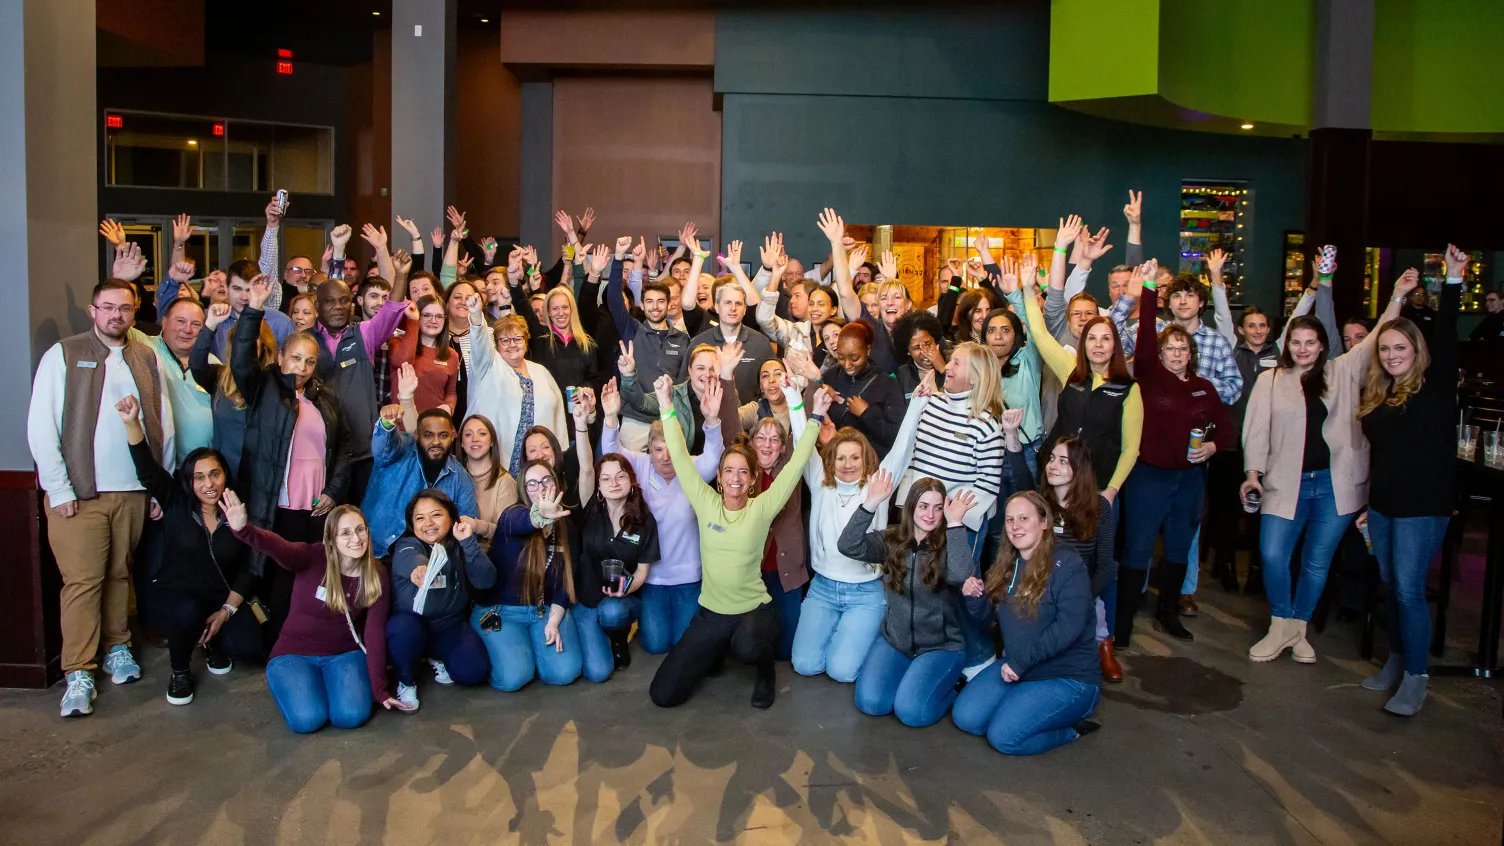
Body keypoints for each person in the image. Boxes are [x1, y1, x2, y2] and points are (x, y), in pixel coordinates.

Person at [1242, 267, 1408, 664]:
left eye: (1310, 342)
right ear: (1289, 346)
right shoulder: (1271, 379)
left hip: (1334, 486)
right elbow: (1255, 431)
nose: (1302, 349)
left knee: (1318, 562)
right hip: (1285, 484)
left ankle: (1295, 629)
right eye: (1296, 342)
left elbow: (1373, 343)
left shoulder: (1342, 371)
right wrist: (1252, 473)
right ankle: (1282, 624)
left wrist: (1398, 296)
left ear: (1321, 346)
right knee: (1272, 555)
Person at [28, 278, 176, 717]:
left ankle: (118, 649)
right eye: (108, 307)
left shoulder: (145, 356)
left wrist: (158, 486)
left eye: (125, 308)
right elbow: (42, 427)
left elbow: (162, 424)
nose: (117, 315)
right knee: (82, 582)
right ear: (93, 311)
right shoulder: (65, 354)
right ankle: (78, 670)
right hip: (79, 493)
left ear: (134, 312)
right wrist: (58, 487)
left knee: (119, 574)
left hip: (132, 490)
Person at [648, 377, 829, 710]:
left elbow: (796, 464)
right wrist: (665, 405)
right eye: (728, 470)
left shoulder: (761, 508)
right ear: (719, 477)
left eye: (743, 472)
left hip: (752, 610)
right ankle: (715, 648)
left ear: (752, 479)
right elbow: (678, 454)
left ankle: (765, 673)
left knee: (748, 646)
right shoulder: (705, 503)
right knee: (663, 695)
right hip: (711, 613)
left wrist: (814, 417)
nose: (735, 477)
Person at [1357, 247, 1466, 716]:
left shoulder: (1436, 387)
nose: (1392, 354)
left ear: (1417, 351)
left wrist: (1453, 280)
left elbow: (1448, 335)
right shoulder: (1380, 394)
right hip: (1382, 505)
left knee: (1408, 588)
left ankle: (1417, 678)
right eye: (1386, 348)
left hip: (1424, 506)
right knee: (1389, 583)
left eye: (1400, 347)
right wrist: (1367, 505)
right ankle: (1398, 661)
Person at [229, 284, 353, 645]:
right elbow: (239, 360)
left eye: (310, 361)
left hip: (315, 512)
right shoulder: (263, 387)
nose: (302, 367)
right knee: (276, 583)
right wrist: (253, 309)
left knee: (312, 581)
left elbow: (343, 447)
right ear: (281, 357)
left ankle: (309, 639)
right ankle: (277, 646)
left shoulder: (324, 398)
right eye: (296, 358)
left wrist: (333, 491)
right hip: (276, 507)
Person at [1116, 260, 1231, 643]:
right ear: (1160, 352)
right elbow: (1146, 329)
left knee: (1180, 546)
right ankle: (1125, 622)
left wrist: (1214, 445)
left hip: (1189, 480)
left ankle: (1168, 612)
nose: (1177, 352)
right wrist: (1148, 288)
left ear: (1191, 353)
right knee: (1139, 548)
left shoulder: (1204, 387)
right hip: (1149, 476)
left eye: (1184, 347)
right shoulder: (1148, 375)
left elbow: (1227, 428)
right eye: (1171, 347)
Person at [224, 493, 407, 731]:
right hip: (295, 653)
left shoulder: (376, 573)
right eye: (345, 533)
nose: (356, 538)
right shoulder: (313, 556)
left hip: (344, 654)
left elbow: (374, 632)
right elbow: (278, 546)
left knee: (350, 716)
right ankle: (290, 681)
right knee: (308, 719)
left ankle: (326, 683)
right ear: (331, 539)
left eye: (360, 530)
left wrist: (379, 689)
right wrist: (244, 530)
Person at [120, 396, 257, 705]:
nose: (209, 483)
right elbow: (147, 471)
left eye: (215, 474)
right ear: (188, 481)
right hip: (177, 594)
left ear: (225, 475)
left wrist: (226, 612)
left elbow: (251, 566)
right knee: (187, 613)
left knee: (251, 645)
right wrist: (132, 424)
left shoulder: (237, 507)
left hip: (221, 596)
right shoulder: (176, 502)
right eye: (199, 476)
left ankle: (213, 639)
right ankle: (180, 669)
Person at [952, 491, 1101, 755]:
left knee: (1004, 737)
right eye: (1009, 520)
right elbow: (989, 621)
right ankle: (1020, 706)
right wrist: (974, 598)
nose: (1015, 526)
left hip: (1066, 677)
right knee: (966, 717)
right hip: (1017, 668)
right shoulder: (1007, 564)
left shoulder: (1068, 564)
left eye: (1023, 518)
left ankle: (1072, 729)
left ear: (1044, 522)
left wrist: (1020, 663)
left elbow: (1069, 627)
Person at [838, 471, 974, 726]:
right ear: (911, 507)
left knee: (912, 713)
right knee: (872, 704)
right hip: (896, 642)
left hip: (940, 647)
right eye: (923, 506)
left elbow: (960, 574)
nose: (930, 515)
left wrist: (956, 524)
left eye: (936, 508)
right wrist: (871, 503)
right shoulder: (892, 539)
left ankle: (955, 686)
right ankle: (911, 679)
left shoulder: (949, 543)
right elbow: (848, 545)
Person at [601, 378, 725, 654]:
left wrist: (712, 420)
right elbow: (612, 456)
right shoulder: (641, 467)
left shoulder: (692, 468)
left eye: (672, 447)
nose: (666, 456)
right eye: (658, 449)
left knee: (684, 644)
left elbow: (715, 457)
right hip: (653, 578)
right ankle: (636, 619)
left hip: (688, 577)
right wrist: (610, 417)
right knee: (656, 645)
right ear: (649, 450)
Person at [1001, 408, 1119, 681]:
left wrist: (1080, 596)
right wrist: (1011, 434)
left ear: (1080, 468)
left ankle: (1104, 646)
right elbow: (1020, 478)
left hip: (1077, 591)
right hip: (1035, 588)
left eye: (1063, 461)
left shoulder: (1099, 507)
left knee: (1085, 618)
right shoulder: (1041, 503)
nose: (1053, 465)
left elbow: (1105, 564)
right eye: (1052, 459)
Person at [470, 460, 583, 691]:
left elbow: (565, 581)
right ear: (523, 488)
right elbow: (528, 520)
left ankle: (530, 649)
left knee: (564, 672)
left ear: (556, 483)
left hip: (543, 612)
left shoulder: (566, 527)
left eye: (546, 480)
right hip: (501, 612)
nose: (540, 488)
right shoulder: (512, 516)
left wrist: (553, 621)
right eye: (532, 483)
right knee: (513, 678)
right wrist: (542, 515)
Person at [790, 427, 890, 683]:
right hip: (823, 589)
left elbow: (901, 449)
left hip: (865, 593)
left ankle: (868, 633)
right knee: (805, 664)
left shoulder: (878, 485)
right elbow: (804, 441)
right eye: (841, 458)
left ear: (865, 459)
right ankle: (844, 633)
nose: (848, 465)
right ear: (830, 460)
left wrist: (918, 404)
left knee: (842, 672)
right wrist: (793, 397)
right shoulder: (820, 482)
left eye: (855, 457)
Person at [310, 251, 410, 506]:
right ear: (317, 305)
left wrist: (401, 275)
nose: (338, 307)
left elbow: (390, 312)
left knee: (362, 519)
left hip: (362, 451)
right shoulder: (305, 342)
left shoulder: (364, 334)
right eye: (330, 301)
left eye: (343, 300)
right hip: (320, 451)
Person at [386, 489, 494, 709]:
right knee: (402, 629)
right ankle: (406, 681)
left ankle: (435, 655)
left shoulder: (459, 545)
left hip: (448, 623)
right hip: (412, 623)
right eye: (420, 518)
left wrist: (468, 543)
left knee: (474, 672)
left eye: (436, 514)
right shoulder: (407, 544)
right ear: (412, 523)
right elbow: (412, 559)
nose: (428, 523)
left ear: (451, 517)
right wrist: (421, 570)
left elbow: (487, 580)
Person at [574, 453, 661, 680]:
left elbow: (642, 572)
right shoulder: (590, 507)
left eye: (620, 476)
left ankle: (618, 637)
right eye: (606, 478)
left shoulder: (644, 519)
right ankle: (594, 634)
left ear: (631, 481)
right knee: (598, 672)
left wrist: (626, 589)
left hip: (621, 599)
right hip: (586, 599)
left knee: (613, 612)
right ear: (598, 486)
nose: (613, 483)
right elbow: (585, 469)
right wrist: (582, 426)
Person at [605, 236, 691, 450]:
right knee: (632, 476)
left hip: (669, 417)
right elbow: (614, 299)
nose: (655, 307)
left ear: (669, 304)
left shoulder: (682, 339)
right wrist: (618, 257)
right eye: (649, 302)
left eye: (661, 301)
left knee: (670, 475)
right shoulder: (631, 329)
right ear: (642, 305)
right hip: (635, 421)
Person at [363, 404, 479, 559]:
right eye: (428, 435)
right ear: (417, 435)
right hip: (375, 553)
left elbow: (466, 530)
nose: (436, 442)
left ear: (453, 435)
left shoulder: (461, 479)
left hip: (426, 561)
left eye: (443, 435)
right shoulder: (403, 447)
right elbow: (383, 448)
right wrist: (386, 425)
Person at [466, 309, 570, 477]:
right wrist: (477, 319)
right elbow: (479, 344)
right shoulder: (488, 367)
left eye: (517, 339)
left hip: (540, 463)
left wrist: (561, 454)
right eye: (505, 340)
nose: (512, 344)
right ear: (496, 345)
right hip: (501, 465)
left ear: (526, 341)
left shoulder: (541, 371)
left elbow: (558, 416)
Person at [192, 302, 275, 478]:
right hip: (222, 476)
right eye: (239, 340)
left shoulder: (271, 382)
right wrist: (210, 325)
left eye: (252, 339)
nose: (244, 347)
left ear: (264, 345)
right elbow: (196, 365)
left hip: (257, 478)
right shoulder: (220, 377)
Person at [687, 245, 778, 403]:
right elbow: (686, 387)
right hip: (707, 420)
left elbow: (770, 384)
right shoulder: (699, 343)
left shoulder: (761, 343)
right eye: (727, 302)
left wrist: (735, 267)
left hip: (750, 422)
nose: (733, 308)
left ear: (744, 309)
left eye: (738, 303)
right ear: (716, 307)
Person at [821, 321, 906, 456]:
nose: (847, 365)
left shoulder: (887, 384)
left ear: (868, 350)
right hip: (835, 461)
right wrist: (817, 386)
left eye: (854, 358)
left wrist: (866, 414)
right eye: (841, 358)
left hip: (871, 465)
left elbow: (897, 436)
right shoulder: (830, 376)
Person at [455, 414, 519, 553]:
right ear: (461, 442)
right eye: (468, 435)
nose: (475, 439)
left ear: (491, 441)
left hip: (489, 558)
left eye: (482, 434)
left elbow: (507, 532)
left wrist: (476, 525)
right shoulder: (453, 475)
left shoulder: (504, 481)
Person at [389, 294, 458, 414]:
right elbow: (404, 360)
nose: (433, 321)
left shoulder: (452, 355)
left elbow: (451, 393)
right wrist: (413, 321)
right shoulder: (397, 343)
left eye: (439, 316)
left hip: (435, 426)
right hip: (403, 427)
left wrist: (448, 407)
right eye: (427, 315)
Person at [891, 310, 948, 400]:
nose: (924, 351)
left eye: (928, 343)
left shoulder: (953, 364)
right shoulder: (901, 376)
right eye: (917, 347)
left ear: (935, 341)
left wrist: (943, 368)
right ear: (908, 351)